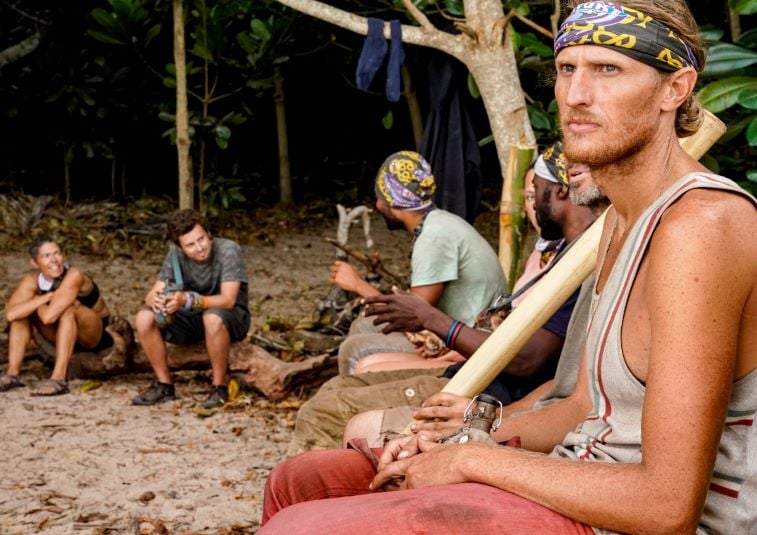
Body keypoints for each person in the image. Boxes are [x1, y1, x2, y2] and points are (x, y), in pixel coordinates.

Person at [260, 1, 757, 532]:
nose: (576, 94)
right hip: (581, 470)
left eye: (608, 69)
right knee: (300, 480)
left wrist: (473, 460)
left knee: (300, 527)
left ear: (675, 88)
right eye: (567, 68)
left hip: (638, 517)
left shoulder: (703, 226)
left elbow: (667, 505)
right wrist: (460, 437)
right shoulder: (617, 220)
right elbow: (584, 407)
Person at [284, 144, 603, 454]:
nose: (530, 205)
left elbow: (525, 361)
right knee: (336, 388)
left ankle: (328, 486)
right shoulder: (564, 253)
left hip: (487, 388)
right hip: (474, 368)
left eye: (535, 191)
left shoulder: (583, 263)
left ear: (562, 190)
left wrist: (426, 318)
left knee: (325, 408)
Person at [332, 150, 507, 374]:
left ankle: (352, 394)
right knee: (364, 324)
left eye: (380, 197)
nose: (377, 205)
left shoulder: (433, 237)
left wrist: (357, 284)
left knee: (353, 349)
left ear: (393, 201)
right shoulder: (440, 223)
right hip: (464, 330)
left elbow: (414, 313)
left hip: (469, 343)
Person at [132, 209, 250, 408]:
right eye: (190, 245)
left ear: (208, 233)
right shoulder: (175, 255)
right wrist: (159, 301)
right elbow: (151, 294)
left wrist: (188, 300)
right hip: (192, 319)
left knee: (212, 317)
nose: (199, 248)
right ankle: (164, 385)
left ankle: (219, 387)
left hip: (230, 318)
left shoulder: (228, 250)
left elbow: (228, 300)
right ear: (180, 246)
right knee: (144, 317)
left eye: (201, 239)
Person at [1, 236, 113, 396]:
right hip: (61, 335)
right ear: (35, 263)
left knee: (67, 310)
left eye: (57, 253)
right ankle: (12, 374)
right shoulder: (32, 280)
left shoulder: (74, 275)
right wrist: (43, 298)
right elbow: (11, 315)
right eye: (47, 256)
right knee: (21, 316)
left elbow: (49, 317)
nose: (54, 260)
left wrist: (34, 302)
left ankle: (59, 378)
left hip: (93, 337)